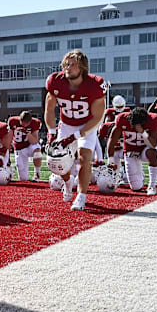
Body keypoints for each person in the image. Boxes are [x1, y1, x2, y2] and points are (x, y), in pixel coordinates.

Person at [44, 49, 108, 211]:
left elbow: (98, 117)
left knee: (84, 157)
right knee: (57, 161)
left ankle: (81, 196)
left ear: (82, 68)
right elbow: (49, 109)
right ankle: (67, 182)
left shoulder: (94, 84)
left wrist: (77, 135)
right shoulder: (56, 81)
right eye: (66, 64)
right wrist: (51, 132)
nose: (68, 67)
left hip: (88, 125)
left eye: (73, 65)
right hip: (66, 124)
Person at [106, 108, 157, 195]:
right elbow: (112, 140)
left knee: (152, 153)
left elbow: (153, 144)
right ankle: (140, 176)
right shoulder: (123, 118)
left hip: (144, 150)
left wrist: (143, 132)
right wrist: (111, 160)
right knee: (136, 187)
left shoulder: (153, 120)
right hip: (130, 152)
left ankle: (152, 186)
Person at [8, 111, 42, 182]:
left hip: (29, 147)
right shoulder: (13, 121)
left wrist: (27, 132)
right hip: (19, 149)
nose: (24, 125)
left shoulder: (35, 123)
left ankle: (37, 174)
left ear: (30, 121)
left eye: (27, 123)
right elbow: (9, 138)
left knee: (37, 149)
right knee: (23, 179)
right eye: (23, 122)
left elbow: (34, 141)